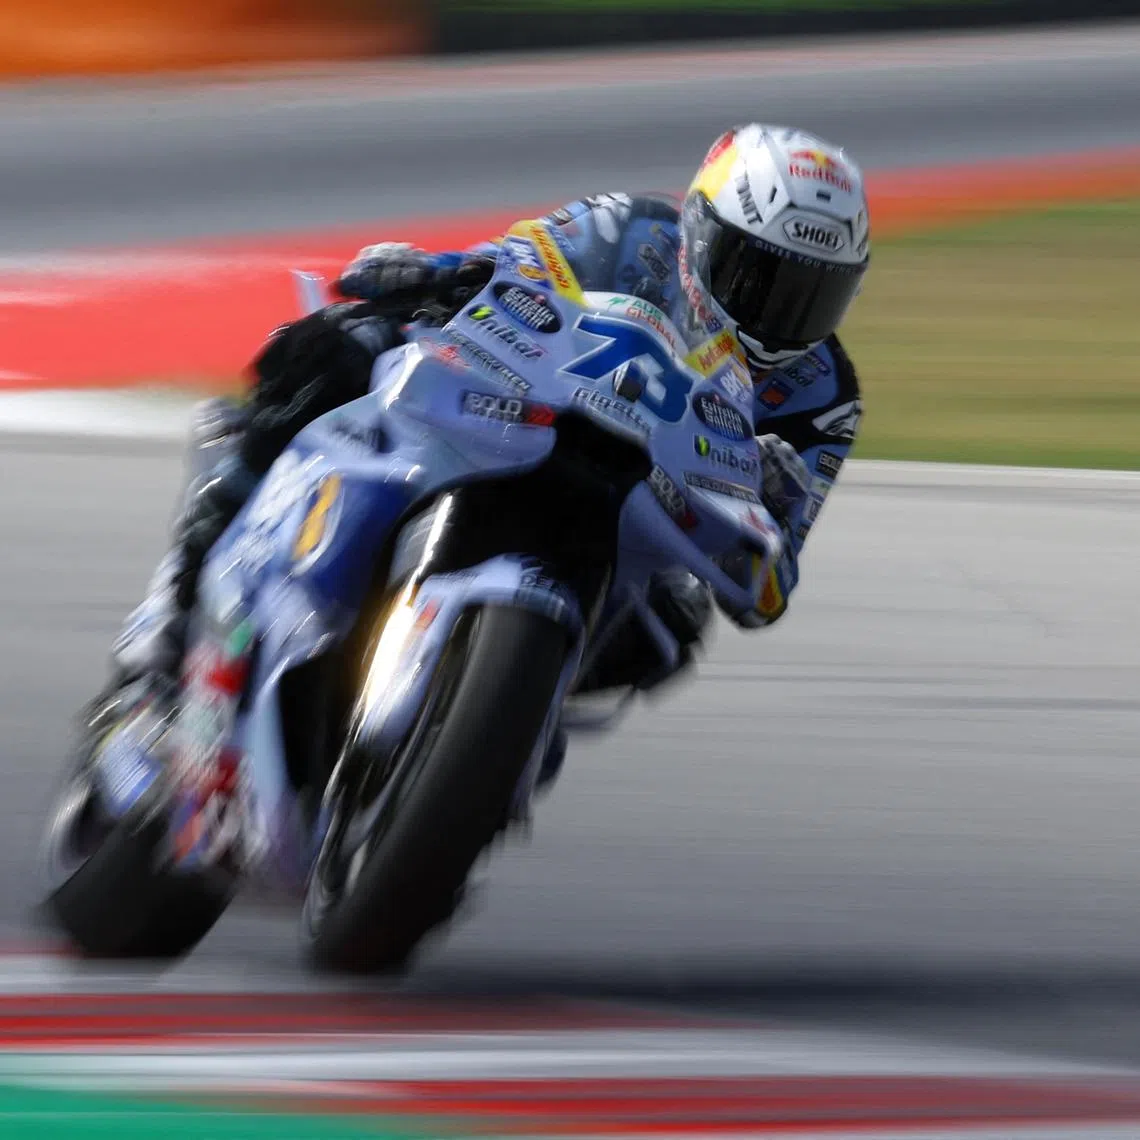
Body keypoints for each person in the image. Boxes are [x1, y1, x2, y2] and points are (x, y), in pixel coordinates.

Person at [110, 123, 869, 715]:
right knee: (336, 346)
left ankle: (492, 725)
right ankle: (173, 608)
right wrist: (427, 272)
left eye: (813, 292)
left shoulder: (823, 394)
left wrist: (778, 496)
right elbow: (503, 263)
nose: (782, 312)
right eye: (759, 274)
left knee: (669, 633)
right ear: (703, 233)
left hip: (644, 518)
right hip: (517, 407)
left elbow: (767, 591)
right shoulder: (628, 230)